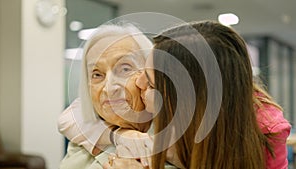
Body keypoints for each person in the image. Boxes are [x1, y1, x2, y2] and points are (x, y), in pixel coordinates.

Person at [106, 20, 291, 169]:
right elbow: (81, 116)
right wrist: (123, 134)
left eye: (151, 82)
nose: (138, 83)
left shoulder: (266, 133)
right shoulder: (154, 105)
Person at [58, 23, 156, 168]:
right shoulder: (84, 135)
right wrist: (118, 135)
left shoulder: (175, 139)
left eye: (124, 69)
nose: (109, 88)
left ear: (148, 75)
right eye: (97, 74)